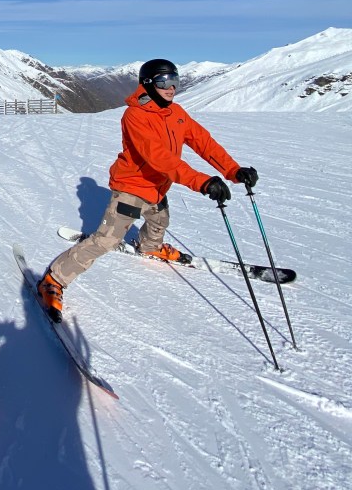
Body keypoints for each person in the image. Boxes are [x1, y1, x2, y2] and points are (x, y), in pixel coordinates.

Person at [37, 59, 259, 322]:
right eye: (164, 82)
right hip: (131, 188)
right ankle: (54, 279)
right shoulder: (135, 116)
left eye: (175, 80)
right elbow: (159, 158)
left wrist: (233, 171)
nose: (171, 88)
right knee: (106, 241)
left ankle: (150, 247)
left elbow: (204, 142)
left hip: (157, 186)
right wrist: (202, 182)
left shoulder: (176, 112)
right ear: (148, 84)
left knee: (160, 219)